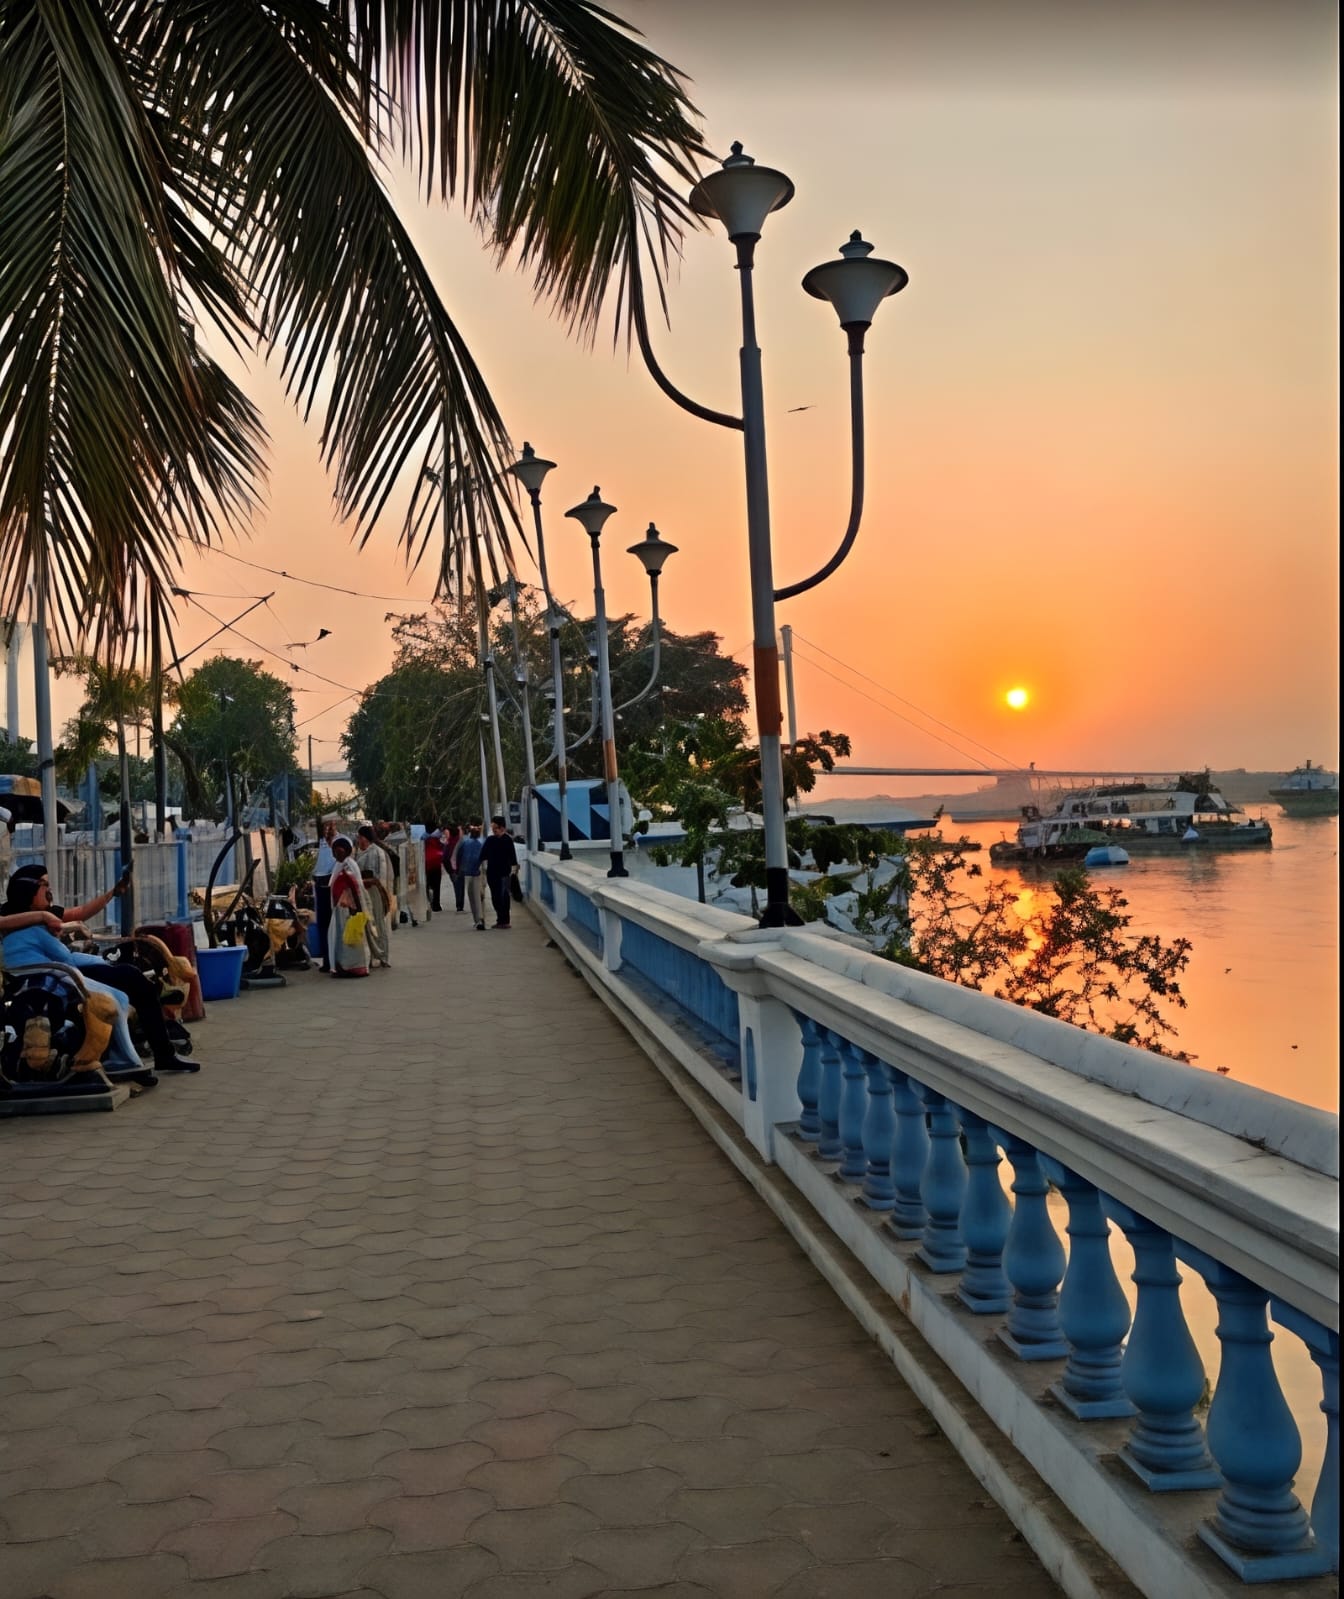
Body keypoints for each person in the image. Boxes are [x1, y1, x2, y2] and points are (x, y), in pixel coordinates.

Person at [0, 866, 197, 1071]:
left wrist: (111, 893)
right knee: (129, 984)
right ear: (28, 889)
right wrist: (44, 917)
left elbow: (80, 913)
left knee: (133, 977)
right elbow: (59, 950)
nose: (49, 890)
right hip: (56, 973)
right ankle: (145, 1055)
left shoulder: (47, 913)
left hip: (62, 966)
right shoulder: (15, 915)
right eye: (44, 885)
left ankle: (156, 1052)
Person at [327, 835, 370, 977]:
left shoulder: (349, 866)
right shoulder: (340, 865)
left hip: (348, 909)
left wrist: (355, 909)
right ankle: (342, 966)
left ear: (344, 851)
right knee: (341, 938)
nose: (335, 855)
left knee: (348, 939)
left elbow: (355, 888)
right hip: (340, 909)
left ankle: (351, 967)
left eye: (337, 852)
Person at [356, 823, 394, 967]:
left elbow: (375, 876)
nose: (358, 840)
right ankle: (373, 955)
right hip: (363, 892)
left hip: (374, 892)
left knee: (378, 923)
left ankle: (383, 955)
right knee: (367, 925)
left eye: (359, 837)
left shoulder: (375, 853)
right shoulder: (360, 853)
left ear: (365, 838)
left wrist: (359, 880)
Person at [480, 816, 519, 930]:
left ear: (502, 827)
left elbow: (513, 858)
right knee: (495, 897)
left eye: (495, 827)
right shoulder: (490, 840)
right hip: (492, 873)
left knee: (504, 896)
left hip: (504, 873)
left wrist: (514, 870)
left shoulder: (508, 840)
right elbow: (483, 854)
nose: (494, 830)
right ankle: (500, 918)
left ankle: (505, 920)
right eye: (493, 828)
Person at [312, 817, 338, 972]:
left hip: (331, 885)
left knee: (332, 924)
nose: (327, 829)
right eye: (324, 827)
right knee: (323, 924)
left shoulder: (339, 842)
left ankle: (333, 959)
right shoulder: (320, 843)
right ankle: (327, 960)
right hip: (320, 885)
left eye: (329, 826)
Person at [454, 820, 486, 929]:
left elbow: (458, 856)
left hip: (467, 873)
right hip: (477, 872)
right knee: (477, 897)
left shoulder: (465, 843)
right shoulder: (481, 844)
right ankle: (480, 919)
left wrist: (459, 870)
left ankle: (478, 920)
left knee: (472, 897)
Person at [422, 823, 445, 913]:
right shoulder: (438, 838)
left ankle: (428, 903)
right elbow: (443, 847)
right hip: (436, 863)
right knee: (437, 886)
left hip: (427, 863)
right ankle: (436, 905)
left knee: (427, 885)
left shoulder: (424, 839)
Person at [443, 822, 465, 912]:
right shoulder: (462, 842)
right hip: (461, 868)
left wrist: (450, 871)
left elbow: (444, 858)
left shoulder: (448, 844)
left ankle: (459, 905)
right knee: (461, 886)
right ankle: (460, 905)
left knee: (457, 887)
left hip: (452, 870)